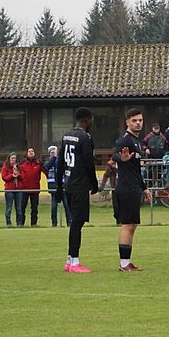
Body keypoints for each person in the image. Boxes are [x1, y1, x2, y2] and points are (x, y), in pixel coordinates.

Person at [56, 107, 99, 273]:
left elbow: (60, 162)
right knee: (77, 222)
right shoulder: (85, 137)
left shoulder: (67, 135)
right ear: (87, 120)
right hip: (80, 184)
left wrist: (59, 185)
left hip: (68, 183)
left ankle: (69, 260)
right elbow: (89, 162)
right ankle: (74, 260)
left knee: (75, 221)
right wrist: (94, 183)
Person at [113, 108, 153, 271]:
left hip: (134, 187)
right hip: (126, 188)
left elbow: (136, 170)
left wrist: (144, 188)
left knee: (133, 225)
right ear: (127, 122)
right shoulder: (125, 140)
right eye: (134, 120)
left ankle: (127, 261)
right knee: (127, 225)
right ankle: (124, 263)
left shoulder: (138, 142)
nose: (138, 123)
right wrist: (120, 158)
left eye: (140, 120)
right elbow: (115, 155)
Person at [43, 145, 71, 227]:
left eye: (54, 152)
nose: (53, 153)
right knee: (54, 207)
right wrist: (53, 158)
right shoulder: (48, 161)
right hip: (53, 187)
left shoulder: (61, 160)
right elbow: (47, 166)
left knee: (67, 205)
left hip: (63, 186)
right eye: (52, 152)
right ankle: (54, 223)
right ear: (49, 153)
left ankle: (70, 222)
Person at [17, 147, 45, 226]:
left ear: (34, 153)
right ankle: (21, 224)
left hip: (35, 189)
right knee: (22, 208)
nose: (31, 152)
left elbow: (46, 171)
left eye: (32, 151)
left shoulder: (39, 163)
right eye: (29, 151)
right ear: (27, 153)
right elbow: (16, 173)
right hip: (24, 189)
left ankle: (34, 224)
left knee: (34, 208)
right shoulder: (21, 163)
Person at [0, 152, 21, 226]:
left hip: (18, 189)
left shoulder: (19, 166)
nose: (13, 159)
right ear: (9, 158)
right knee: (9, 207)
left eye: (15, 158)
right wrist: (12, 175)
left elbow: (23, 177)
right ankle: (8, 223)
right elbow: (4, 177)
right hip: (9, 189)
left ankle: (19, 224)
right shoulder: (5, 166)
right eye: (12, 158)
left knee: (19, 208)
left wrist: (18, 175)